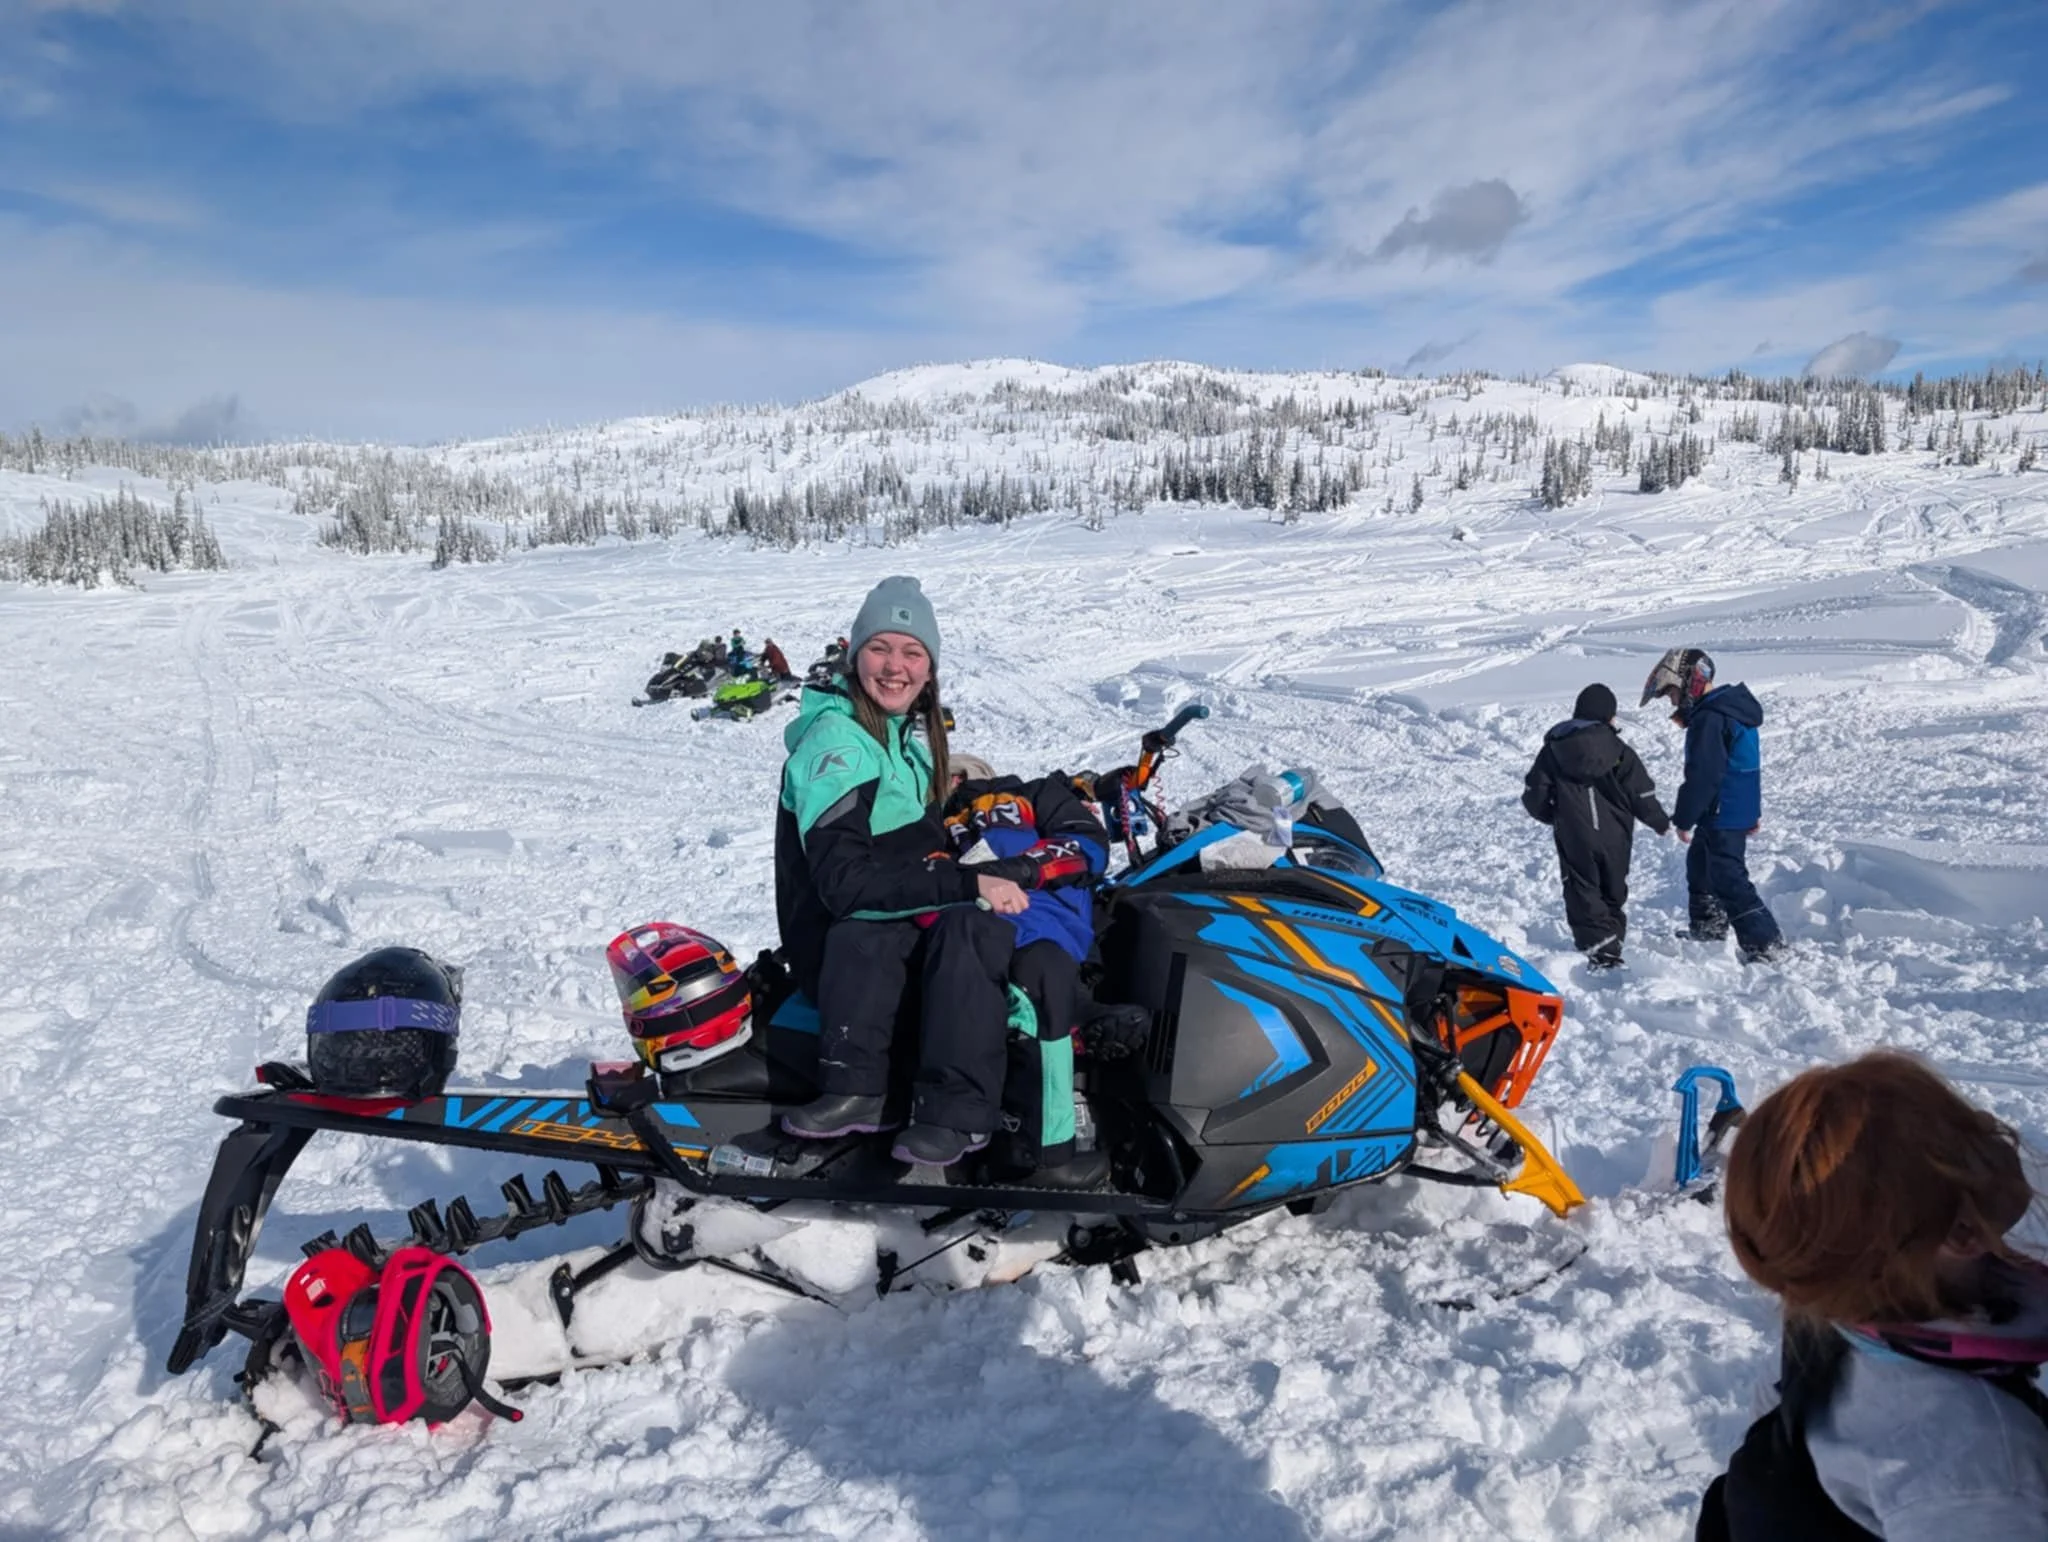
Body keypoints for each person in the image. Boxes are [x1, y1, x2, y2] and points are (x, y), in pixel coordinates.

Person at [1700, 1052, 2048, 1538]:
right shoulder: (1981, 1465)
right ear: (1964, 1230)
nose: (1991, 1126)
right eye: (1969, 1130)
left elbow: (1768, 1414)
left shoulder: (1830, 1319)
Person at [774, 576, 1030, 1166]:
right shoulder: (839, 742)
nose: (896, 667)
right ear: (854, 654)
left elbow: (914, 825)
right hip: (848, 946)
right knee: (977, 932)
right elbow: (845, 884)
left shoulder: (897, 733)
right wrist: (968, 884)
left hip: (886, 924)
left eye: (913, 652)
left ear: (931, 667)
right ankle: (954, 1114)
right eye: (880, 649)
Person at [943, 752, 1110, 1182]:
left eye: (953, 774)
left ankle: (1047, 1152)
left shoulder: (1031, 794)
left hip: (1043, 926)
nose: (947, 784)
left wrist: (1018, 868)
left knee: (1040, 980)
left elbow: (1085, 842)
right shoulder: (932, 821)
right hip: (973, 926)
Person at [1643, 647, 1786, 963]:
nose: (1672, 701)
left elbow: (1703, 776)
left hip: (1722, 809)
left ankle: (1765, 943)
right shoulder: (1731, 709)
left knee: (1727, 876)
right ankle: (1708, 929)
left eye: (1672, 692)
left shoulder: (1711, 718)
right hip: (1729, 808)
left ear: (1690, 682)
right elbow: (1744, 764)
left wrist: (1684, 818)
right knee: (1700, 868)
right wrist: (1750, 812)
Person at [1521, 682, 1671, 969]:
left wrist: (1552, 816)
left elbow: (1534, 793)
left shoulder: (1554, 749)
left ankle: (1601, 948)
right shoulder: (1620, 750)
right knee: (1613, 886)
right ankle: (1611, 940)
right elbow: (1641, 792)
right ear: (1608, 716)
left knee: (1582, 886)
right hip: (1616, 833)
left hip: (1575, 832)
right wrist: (1659, 822)